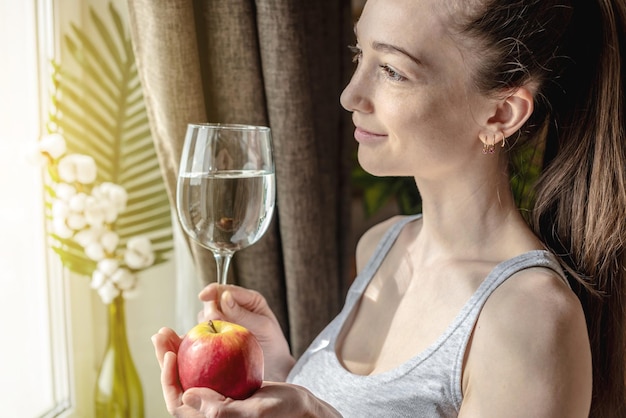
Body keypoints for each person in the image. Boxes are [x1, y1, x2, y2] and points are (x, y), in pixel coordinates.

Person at [152, 0, 626, 416]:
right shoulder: (382, 245)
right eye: (361, 54)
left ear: (500, 114)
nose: (350, 96)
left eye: (393, 71)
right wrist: (279, 370)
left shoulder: (529, 317)